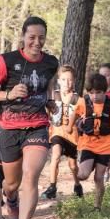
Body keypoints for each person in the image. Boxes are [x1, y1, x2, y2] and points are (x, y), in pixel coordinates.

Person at [0, 16, 59, 219]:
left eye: (41, 37)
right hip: (9, 128)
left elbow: (48, 85)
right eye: (32, 37)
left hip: (37, 126)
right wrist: (9, 95)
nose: (37, 42)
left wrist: (50, 102)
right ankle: (11, 199)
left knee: (31, 176)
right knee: (11, 184)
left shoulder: (51, 62)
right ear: (23, 37)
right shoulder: (6, 61)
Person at [73, 73, 110, 211]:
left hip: (105, 146)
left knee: (99, 177)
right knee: (82, 175)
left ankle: (97, 207)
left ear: (105, 90)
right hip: (87, 144)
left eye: (98, 92)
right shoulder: (82, 102)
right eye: (91, 93)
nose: (95, 96)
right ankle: (84, 168)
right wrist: (77, 126)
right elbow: (71, 123)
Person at [41, 65, 79, 200]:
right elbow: (48, 112)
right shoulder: (54, 96)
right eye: (63, 79)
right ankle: (52, 186)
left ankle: (77, 184)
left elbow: (82, 115)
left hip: (72, 134)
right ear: (59, 80)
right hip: (57, 131)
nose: (66, 83)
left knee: (73, 165)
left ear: (74, 81)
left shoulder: (77, 98)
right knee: (55, 156)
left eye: (69, 80)